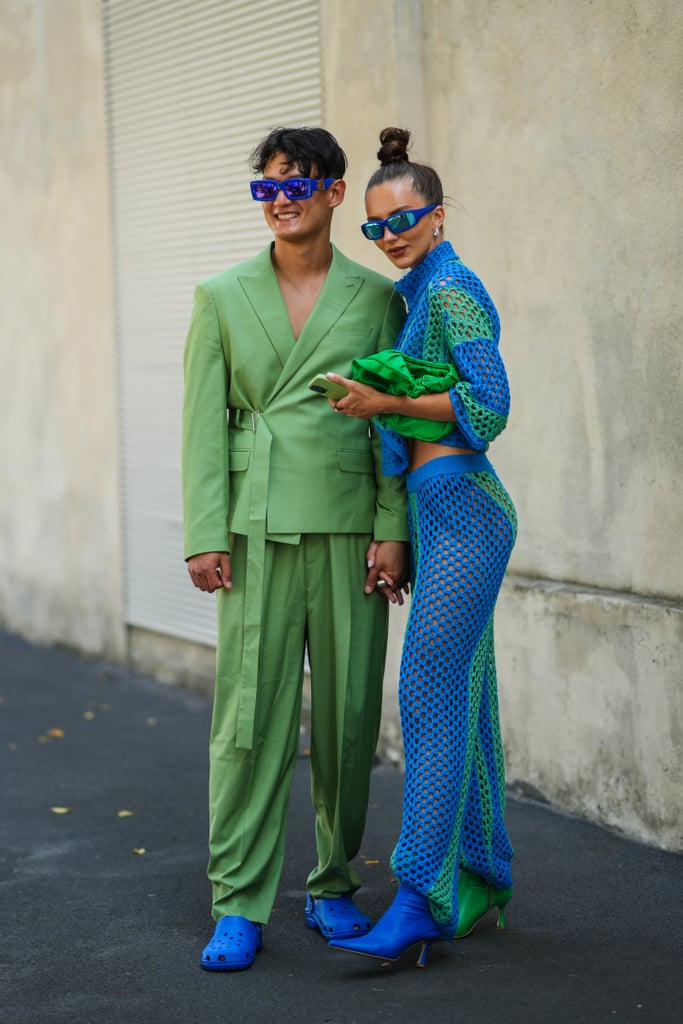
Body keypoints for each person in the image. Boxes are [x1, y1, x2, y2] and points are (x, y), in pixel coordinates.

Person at [181, 127, 410, 971]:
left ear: (335, 193)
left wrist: (394, 527)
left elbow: (391, 420)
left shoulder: (376, 297)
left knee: (349, 717)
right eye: (266, 188)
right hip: (254, 524)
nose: (281, 200)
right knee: (247, 720)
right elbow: (203, 423)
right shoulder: (221, 294)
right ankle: (237, 901)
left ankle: (332, 882)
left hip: (352, 523)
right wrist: (205, 532)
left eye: (297, 185)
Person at [325, 127, 517, 968]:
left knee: (429, 695)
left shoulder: (452, 293)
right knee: (463, 696)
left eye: (403, 218)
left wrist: (379, 404)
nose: (389, 234)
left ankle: (415, 898)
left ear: (438, 215)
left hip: (467, 506)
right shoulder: (417, 296)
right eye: (373, 226)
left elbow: (491, 401)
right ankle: (474, 883)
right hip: (435, 511)